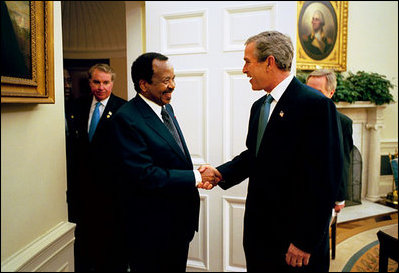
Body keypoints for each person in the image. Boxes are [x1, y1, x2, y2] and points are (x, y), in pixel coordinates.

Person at [198, 31, 343, 271]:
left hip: (294, 242)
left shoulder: (315, 105)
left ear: (270, 62)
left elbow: (325, 178)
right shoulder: (259, 107)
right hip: (260, 235)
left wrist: (305, 240)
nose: (244, 70)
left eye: (247, 61)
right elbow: (254, 157)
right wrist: (220, 173)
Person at [108, 52, 216, 272]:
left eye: (173, 78)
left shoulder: (166, 108)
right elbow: (144, 175)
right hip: (151, 230)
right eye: (166, 80)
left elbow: (171, 156)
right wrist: (196, 176)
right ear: (144, 85)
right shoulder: (126, 119)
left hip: (177, 225)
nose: (173, 86)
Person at [65, 63, 127, 272]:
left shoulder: (124, 109)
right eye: (97, 82)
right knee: (85, 243)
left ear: (112, 83)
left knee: (111, 246)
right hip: (82, 191)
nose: (101, 87)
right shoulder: (76, 106)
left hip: (112, 192)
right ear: (90, 82)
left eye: (106, 82)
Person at [306, 69, 354, 214]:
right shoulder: (293, 114)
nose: (312, 96)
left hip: (322, 195)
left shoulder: (343, 123)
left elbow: (343, 161)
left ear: (331, 93)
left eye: (318, 92)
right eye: (308, 90)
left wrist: (339, 198)